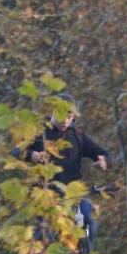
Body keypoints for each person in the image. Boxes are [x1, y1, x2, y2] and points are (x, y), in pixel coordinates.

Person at [25, 95, 110, 243]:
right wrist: (31, 154)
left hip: (74, 193)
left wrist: (103, 160)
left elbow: (102, 153)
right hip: (46, 193)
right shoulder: (39, 132)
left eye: (69, 117)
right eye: (62, 116)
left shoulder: (77, 136)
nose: (65, 121)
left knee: (89, 222)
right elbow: (16, 151)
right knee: (44, 233)